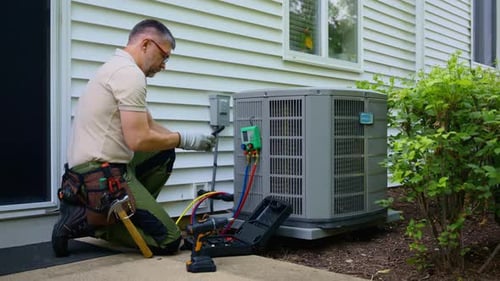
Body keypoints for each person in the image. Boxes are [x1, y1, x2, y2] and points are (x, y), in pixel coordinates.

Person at [51, 19, 215, 257]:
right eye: (165, 56)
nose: (164, 65)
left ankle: (127, 213)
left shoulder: (118, 68)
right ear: (147, 44)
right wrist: (182, 139)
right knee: (169, 240)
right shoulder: (129, 75)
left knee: (163, 152)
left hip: (102, 167)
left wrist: (188, 140)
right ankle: (90, 220)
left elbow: (147, 125)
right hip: (100, 173)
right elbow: (138, 140)